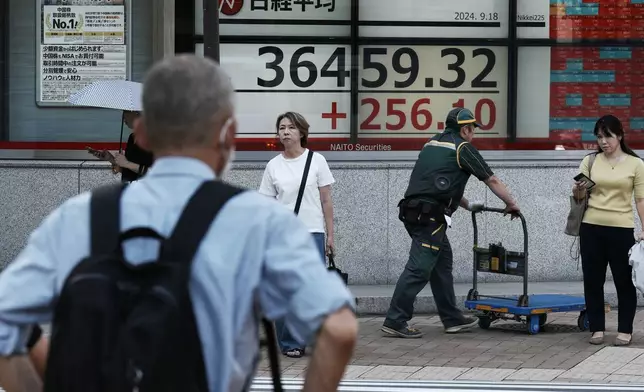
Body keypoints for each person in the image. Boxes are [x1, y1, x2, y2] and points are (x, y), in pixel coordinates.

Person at [0, 54, 358, 391]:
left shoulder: (77, 217)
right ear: (228, 134)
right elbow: (339, 329)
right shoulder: (259, 222)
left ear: (141, 134)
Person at [381, 107, 520, 338]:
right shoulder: (463, 148)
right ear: (465, 129)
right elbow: (491, 179)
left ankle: (452, 319)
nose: (474, 133)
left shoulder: (432, 143)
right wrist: (512, 203)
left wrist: (467, 204)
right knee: (418, 269)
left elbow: (438, 183)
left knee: (441, 264)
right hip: (430, 218)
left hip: (413, 212)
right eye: (473, 129)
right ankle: (395, 320)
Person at [259, 111, 336, 358]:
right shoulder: (273, 165)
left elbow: (326, 201)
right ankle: (290, 341)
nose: (285, 132)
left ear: (302, 132)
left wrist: (330, 236)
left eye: (291, 127)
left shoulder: (317, 161)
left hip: (312, 233)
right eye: (282, 127)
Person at [573, 114, 643, 346]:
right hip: (591, 227)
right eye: (600, 137)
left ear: (620, 135)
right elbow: (579, 197)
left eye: (608, 136)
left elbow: (641, 200)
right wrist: (579, 190)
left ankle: (625, 329)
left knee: (624, 281)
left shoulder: (636, 164)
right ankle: (597, 329)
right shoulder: (590, 161)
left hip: (621, 229)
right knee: (593, 280)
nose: (604, 141)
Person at [114, 110, 155, 183]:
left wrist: (126, 163)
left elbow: (155, 172)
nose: (123, 117)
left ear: (137, 113)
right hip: (128, 189)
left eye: (125, 112)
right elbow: (128, 169)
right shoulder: (132, 137)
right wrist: (111, 159)